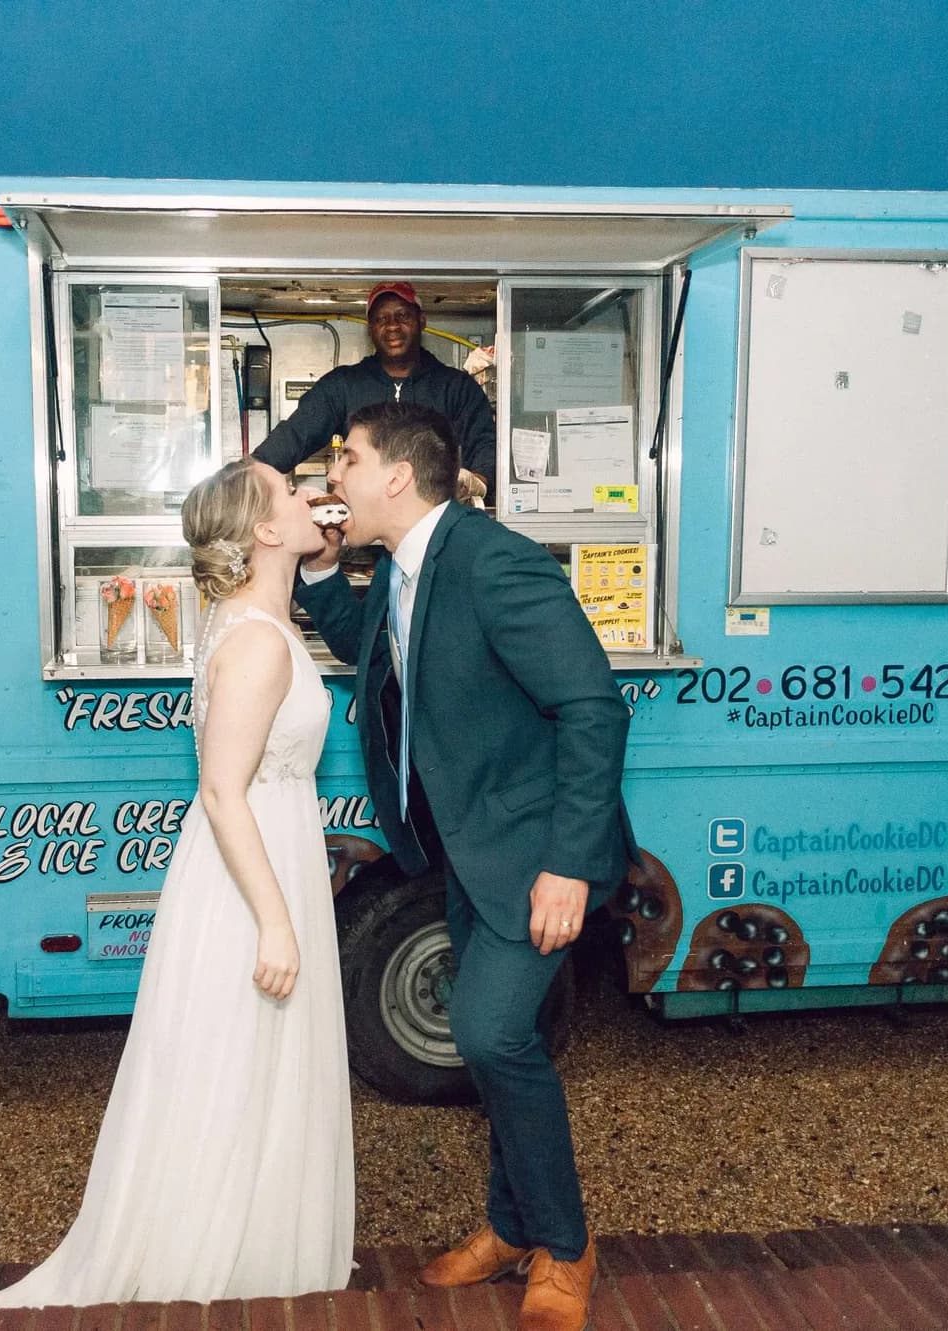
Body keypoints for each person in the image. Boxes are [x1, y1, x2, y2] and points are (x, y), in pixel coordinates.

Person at [0, 459, 354, 1309]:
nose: (308, 499)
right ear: (264, 529)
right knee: (230, 1060)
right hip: (248, 870)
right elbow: (223, 792)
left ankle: (258, 1239)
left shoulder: (255, 619)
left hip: (264, 848)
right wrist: (276, 920)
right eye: (291, 495)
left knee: (247, 1062)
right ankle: (217, 1246)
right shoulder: (257, 640)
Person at [294, 401, 634, 1331]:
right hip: (466, 852)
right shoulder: (409, 566)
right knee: (497, 1032)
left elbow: (594, 709)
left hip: (535, 857)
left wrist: (567, 864)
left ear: (397, 475)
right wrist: (322, 574)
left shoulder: (495, 562)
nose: (335, 481)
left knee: (487, 1033)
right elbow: (378, 642)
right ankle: (511, 1225)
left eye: (347, 461)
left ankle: (565, 1246)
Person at [252, 280, 497, 500]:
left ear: (421, 321)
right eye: (382, 319)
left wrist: (476, 482)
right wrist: (249, 474)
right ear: (370, 327)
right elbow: (295, 435)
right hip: (366, 528)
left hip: (434, 525)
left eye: (402, 316)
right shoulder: (344, 385)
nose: (392, 326)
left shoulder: (456, 387)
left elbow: (485, 443)